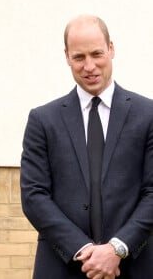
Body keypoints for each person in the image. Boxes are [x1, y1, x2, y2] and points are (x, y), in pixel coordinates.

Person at [20, 15, 153, 279]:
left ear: (111, 49)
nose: (89, 66)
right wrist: (84, 250)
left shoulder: (148, 115)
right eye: (79, 57)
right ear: (67, 56)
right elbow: (34, 196)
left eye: (97, 54)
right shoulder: (43, 120)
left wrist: (116, 249)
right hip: (63, 266)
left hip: (134, 266)